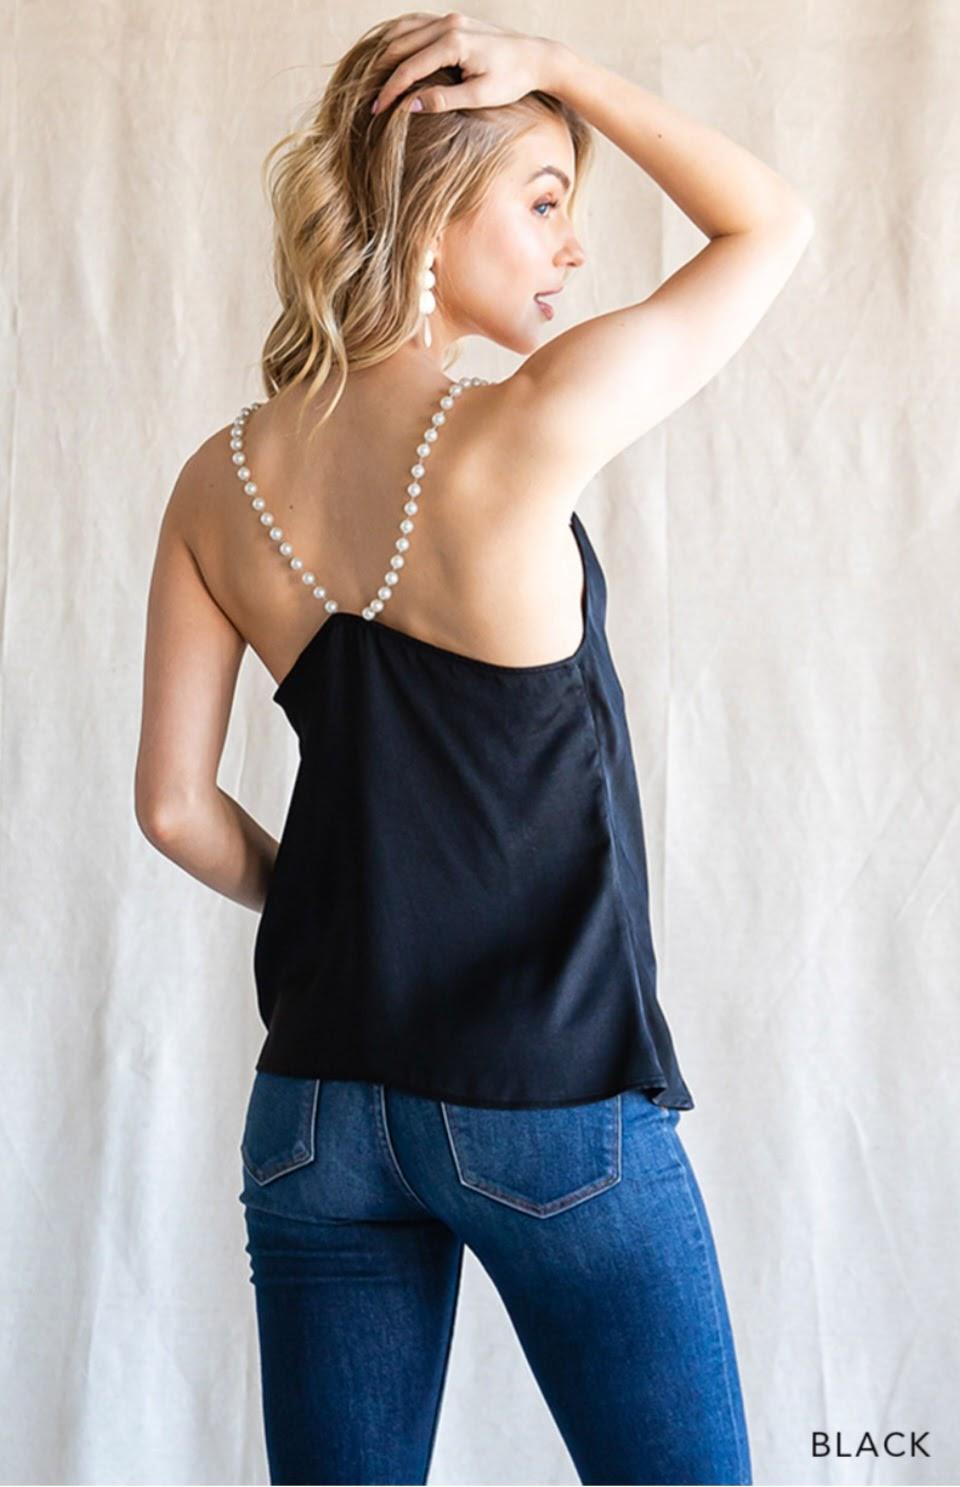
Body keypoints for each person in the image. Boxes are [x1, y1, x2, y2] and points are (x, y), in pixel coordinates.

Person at [135, 12, 814, 1484]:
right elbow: (769, 223)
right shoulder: (528, 427)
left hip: (315, 1113)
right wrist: (561, 69)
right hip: (548, 1101)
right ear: (433, 209)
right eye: (546, 199)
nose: (573, 248)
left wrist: (346, 907)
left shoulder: (215, 482)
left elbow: (177, 809)